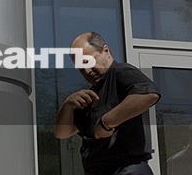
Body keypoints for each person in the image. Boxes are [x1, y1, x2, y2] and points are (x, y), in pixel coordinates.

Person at [54, 32, 161, 175]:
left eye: (88, 62)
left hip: (127, 168)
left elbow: (148, 94)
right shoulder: (90, 95)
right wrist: (68, 105)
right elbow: (62, 133)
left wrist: (106, 123)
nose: (87, 71)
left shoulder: (121, 72)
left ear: (106, 50)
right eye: (80, 68)